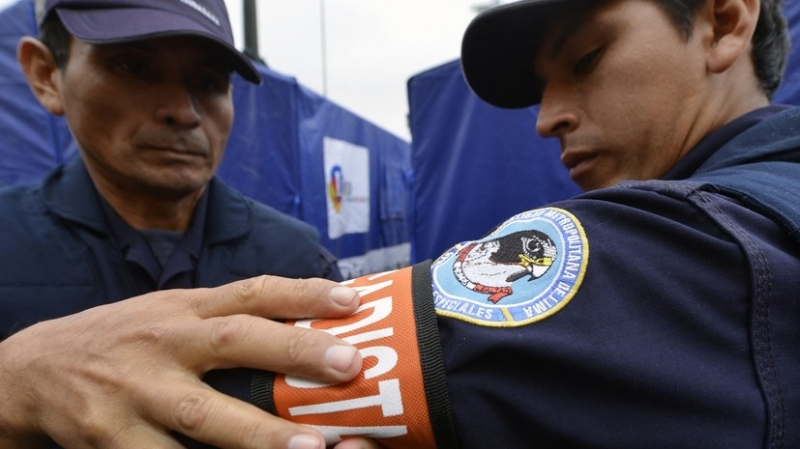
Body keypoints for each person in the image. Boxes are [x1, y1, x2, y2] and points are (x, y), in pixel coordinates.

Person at [204, 0, 800, 447]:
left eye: (586, 59)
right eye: (543, 87)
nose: (545, 119)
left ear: (724, 23)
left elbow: (205, 395)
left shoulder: (714, 241)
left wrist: (150, 353)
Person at [0, 0, 378, 448]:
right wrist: (13, 384)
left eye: (208, 82)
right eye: (134, 66)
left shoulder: (300, 260)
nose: (183, 111)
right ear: (46, 74)